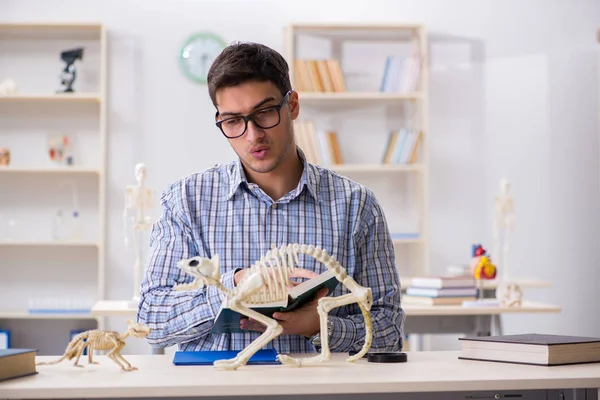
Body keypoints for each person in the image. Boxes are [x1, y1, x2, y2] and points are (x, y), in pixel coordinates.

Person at [137, 41, 405, 354]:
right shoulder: (187, 201)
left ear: (292, 105)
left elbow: (390, 332)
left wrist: (322, 327)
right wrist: (234, 285)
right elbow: (151, 322)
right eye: (233, 121)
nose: (253, 135)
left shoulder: (356, 206)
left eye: (264, 113)